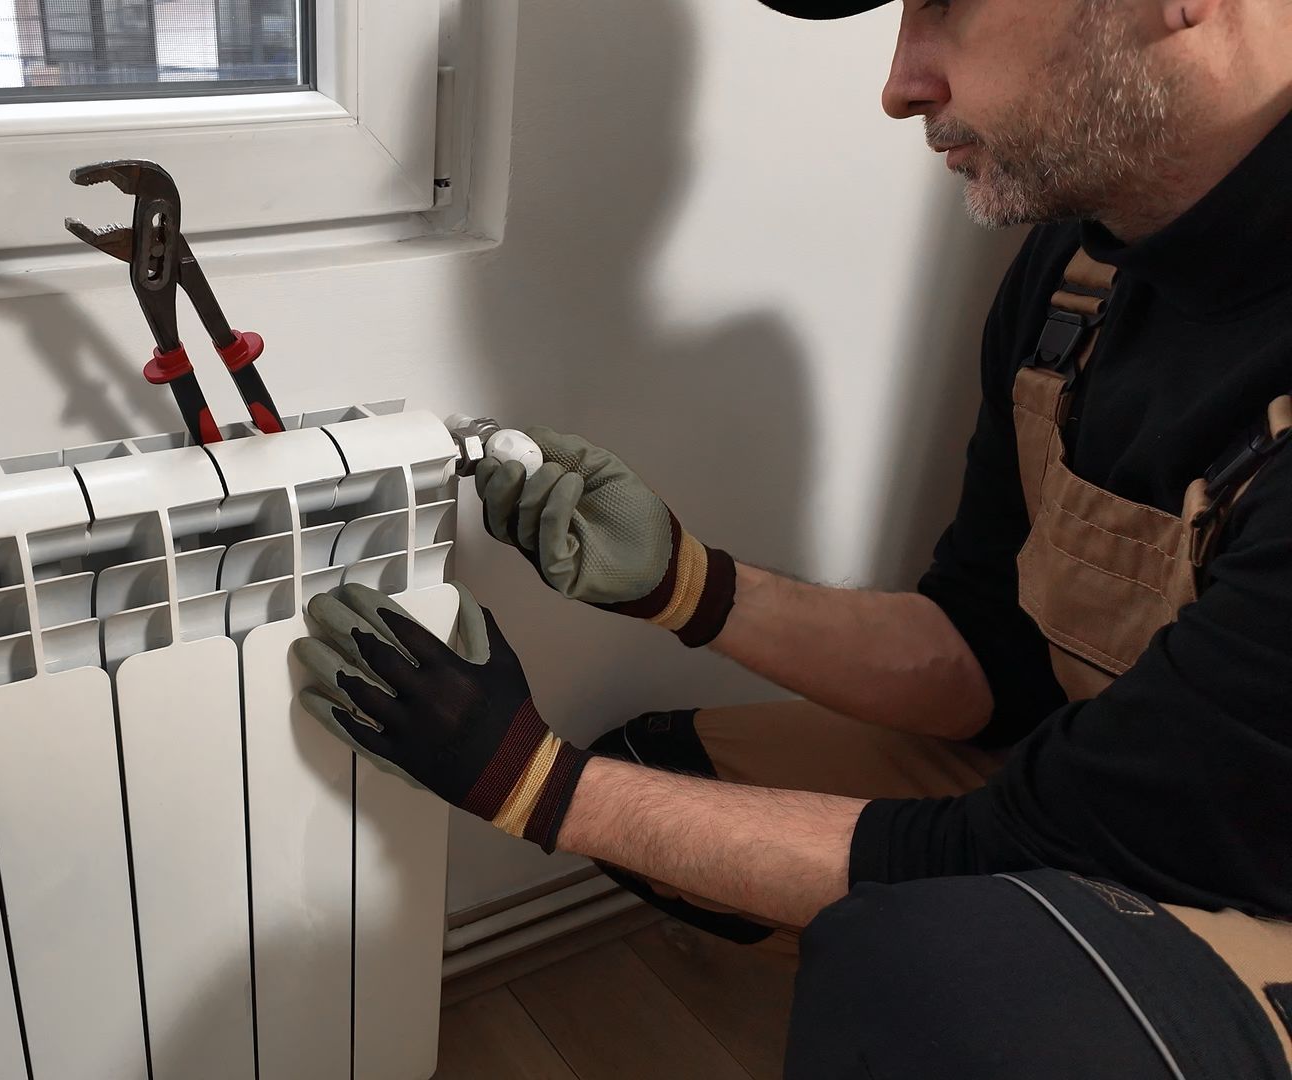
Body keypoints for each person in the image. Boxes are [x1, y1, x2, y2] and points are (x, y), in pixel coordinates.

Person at [293, 0, 1292, 1075]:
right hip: (1102, 793)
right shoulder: (1076, 276)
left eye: (946, 5)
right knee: (660, 775)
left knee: (942, 985)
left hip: (1254, 881)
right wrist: (682, 584)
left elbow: (1011, 843)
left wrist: (526, 781)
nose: (900, 83)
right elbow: (985, 660)